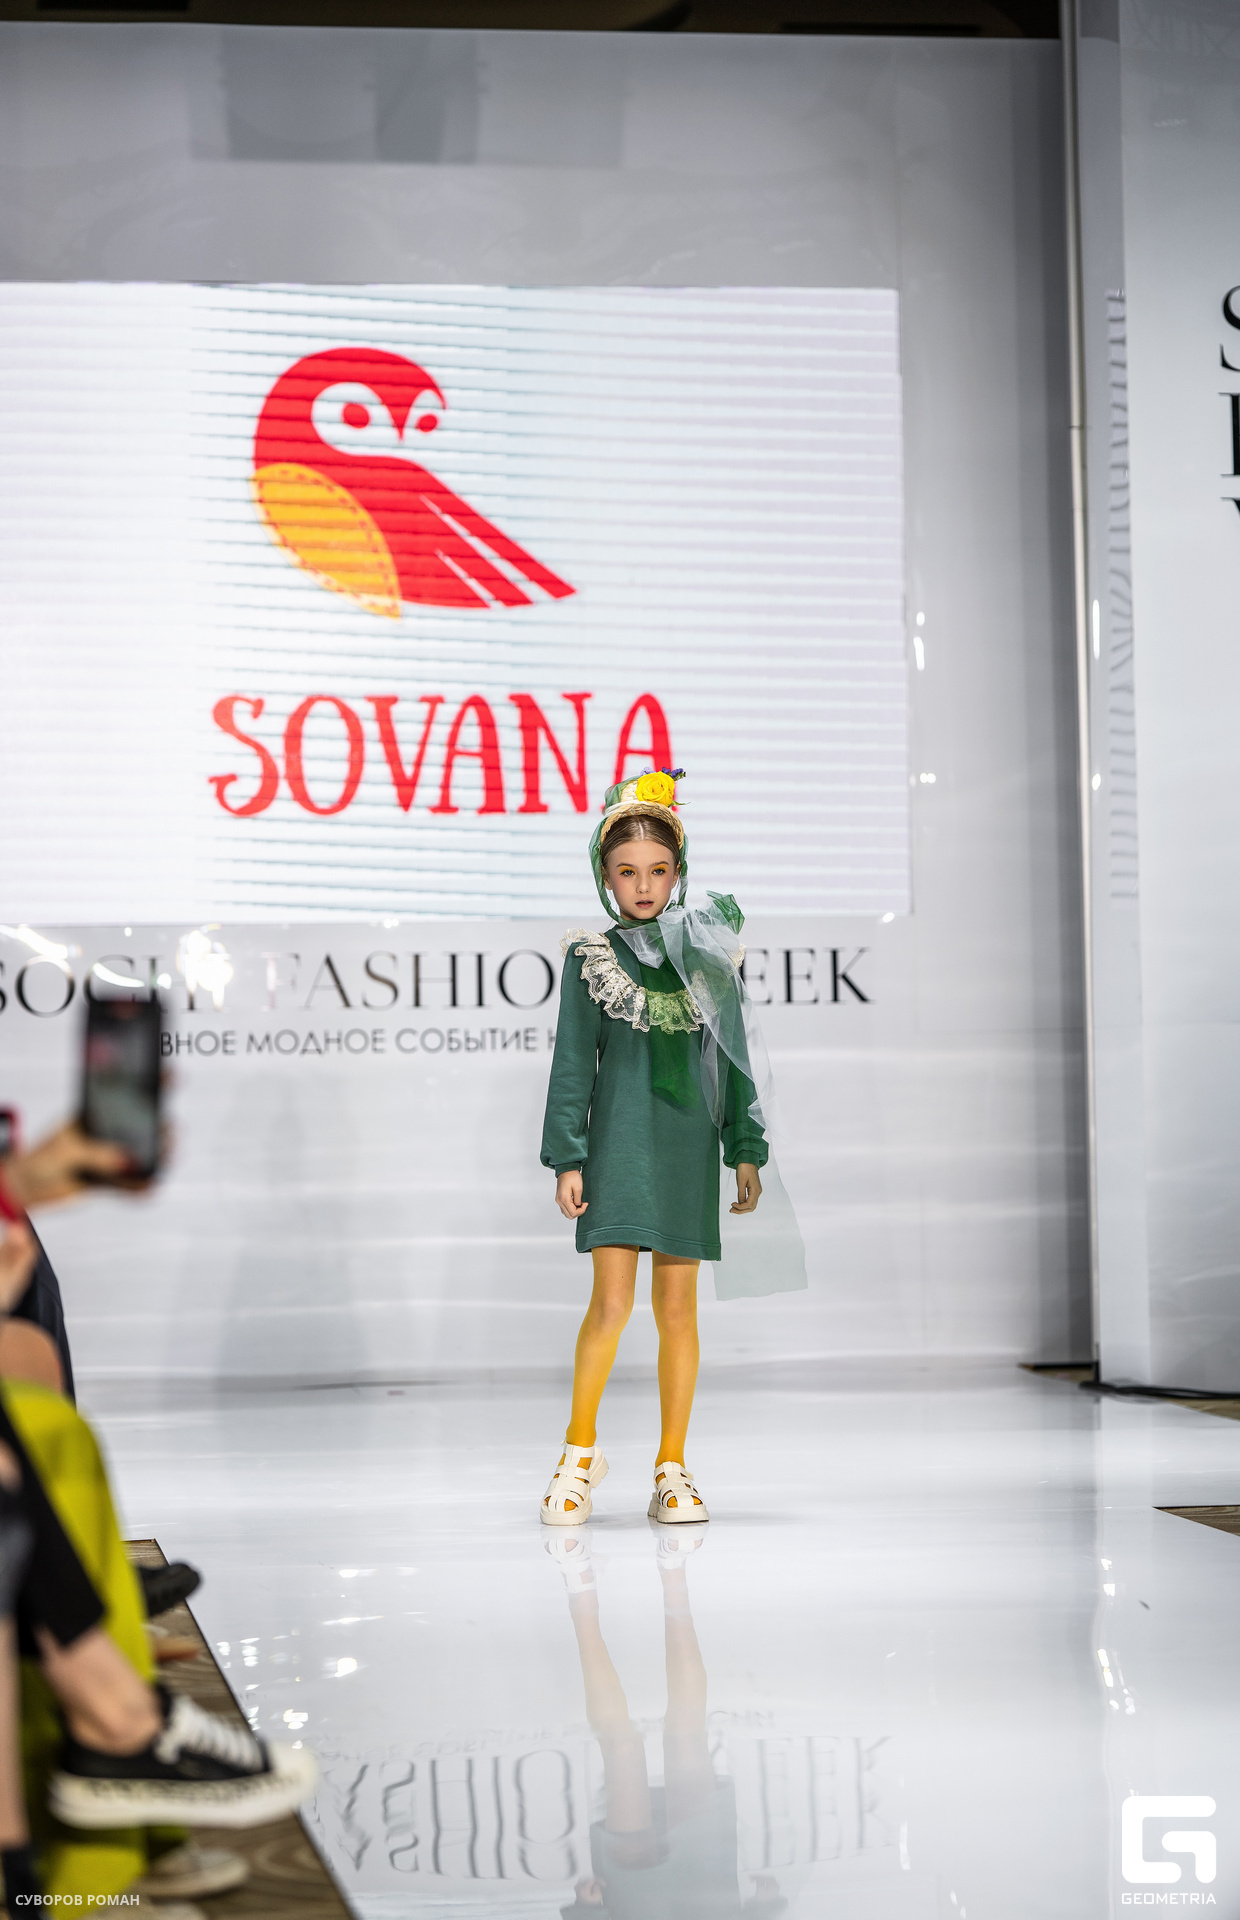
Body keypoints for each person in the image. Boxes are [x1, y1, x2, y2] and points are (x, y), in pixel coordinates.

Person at [540, 770, 800, 1527]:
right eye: (627, 872)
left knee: (678, 1309)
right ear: (605, 876)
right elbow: (571, 1065)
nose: (643, 885)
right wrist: (568, 1156)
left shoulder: (710, 956)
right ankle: (579, 1454)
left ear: (678, 871)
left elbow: (733, 1059)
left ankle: (672, 1465)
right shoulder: (590, 958)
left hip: (686, 1148)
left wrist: (745, 1147)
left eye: (658, 871)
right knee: (610, 1304)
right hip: (618, 1149)